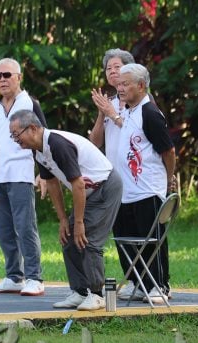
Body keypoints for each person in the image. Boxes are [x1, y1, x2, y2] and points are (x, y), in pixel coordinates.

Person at [8, 110, 123, 311]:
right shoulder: (38, 150)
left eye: (17, 134)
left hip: (105, 187)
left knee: (88, 239)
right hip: (87, 192)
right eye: (13, 136)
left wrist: (78, 222)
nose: (15, 140)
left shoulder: (57, 144)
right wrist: (63, 219)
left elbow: (77, 184)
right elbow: (52, 183)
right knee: (69, 238)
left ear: (33, 128)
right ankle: (80, 291)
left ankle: (96, 294)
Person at [113, 63, 176, 303]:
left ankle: (160, 285)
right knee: (125, 239)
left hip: (147, 189)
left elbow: (168, 151)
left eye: (125, 83)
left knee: (151, 240)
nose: (120, 88)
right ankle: (141, 283)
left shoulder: (150, 113)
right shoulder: (129, 110)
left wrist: (168, 181)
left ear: (141, 85)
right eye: (119, 84)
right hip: (125, 191)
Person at [0, 58, 46, 297]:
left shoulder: (30, 103)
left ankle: (34, 277)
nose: (2, 80)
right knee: (3, 229)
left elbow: (43, 140)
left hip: (21, 174)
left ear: (19, 77)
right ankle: (13, 275)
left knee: (25, 227)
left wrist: (45, 174)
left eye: (7, 75)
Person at [88, 49, 135, 165]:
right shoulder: (109, 103)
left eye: (117, 67)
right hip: (114, 172)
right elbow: (95, 143)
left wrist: (112, 114)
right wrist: (101, 114)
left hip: (137, 172)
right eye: (108, 68)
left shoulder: (140, 99)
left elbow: (139, 132)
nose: (112, 71)